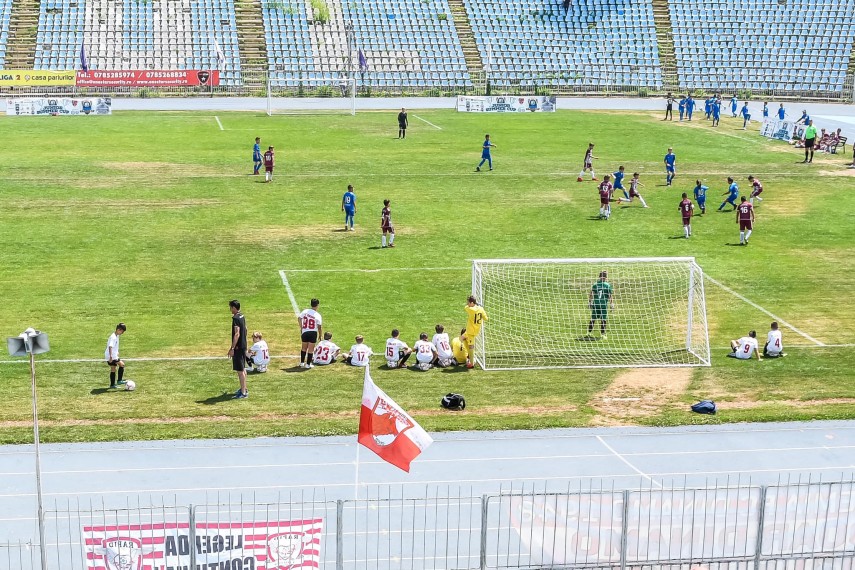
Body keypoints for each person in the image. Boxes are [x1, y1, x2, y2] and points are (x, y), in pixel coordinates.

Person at [228, 300, 248, 399]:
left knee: (240, 371)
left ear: (234, 308)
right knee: (243, 369)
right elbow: (246, 329)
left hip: (238, 348)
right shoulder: (242, 316)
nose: (230, 309)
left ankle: (243, 393)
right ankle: (244, 388)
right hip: (243, 346)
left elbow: (237, 334)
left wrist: (232, 348)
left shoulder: (236, 318)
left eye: (230, 307)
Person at [588, 270, 614, 339]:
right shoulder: (607, 285)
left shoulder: (595, 284)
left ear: (599, 276)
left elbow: (591, 294)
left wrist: (590, 302)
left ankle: (589, 333)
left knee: (593, 319)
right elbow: (610, 295)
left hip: (596, 304)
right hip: (603, 305)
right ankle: (602, 335)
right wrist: (612, 304)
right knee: (603, 319)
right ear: (606, 277)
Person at [464, 295, 488, 368]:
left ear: (472, 303)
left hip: (471, 331)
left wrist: (475, 306)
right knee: (461, 338)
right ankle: (469, 356)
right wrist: (480, 308)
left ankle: (471, 363)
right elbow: (486, 318)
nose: (467, 304)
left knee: (471, 346)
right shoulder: (481, 309)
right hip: (474, 330)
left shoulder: (470, 309)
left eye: (468, 303)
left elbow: (465, 307)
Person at [298, 298, 322, 368]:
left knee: (303, 348)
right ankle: (308, 364)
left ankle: (302, 363)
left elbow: (299, 318)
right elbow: (319, 327)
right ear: (317, 305)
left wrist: (301, 327)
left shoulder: (305, 311)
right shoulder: (318, 315)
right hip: (313, 332)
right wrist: (320, 335)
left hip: (305, 331)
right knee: (311, 349)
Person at [105, 323, 127, 389]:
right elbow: (110, 347)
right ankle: (119, 380)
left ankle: (112, 385)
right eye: (122, 331)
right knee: (122, 364)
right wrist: (111, 357)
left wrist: (117, 352)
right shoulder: (113, 337)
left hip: (110, 355)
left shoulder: (116, 335)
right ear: (118, 329)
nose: (122, 333)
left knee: (113, 368)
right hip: (112, 356)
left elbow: (114, 346)